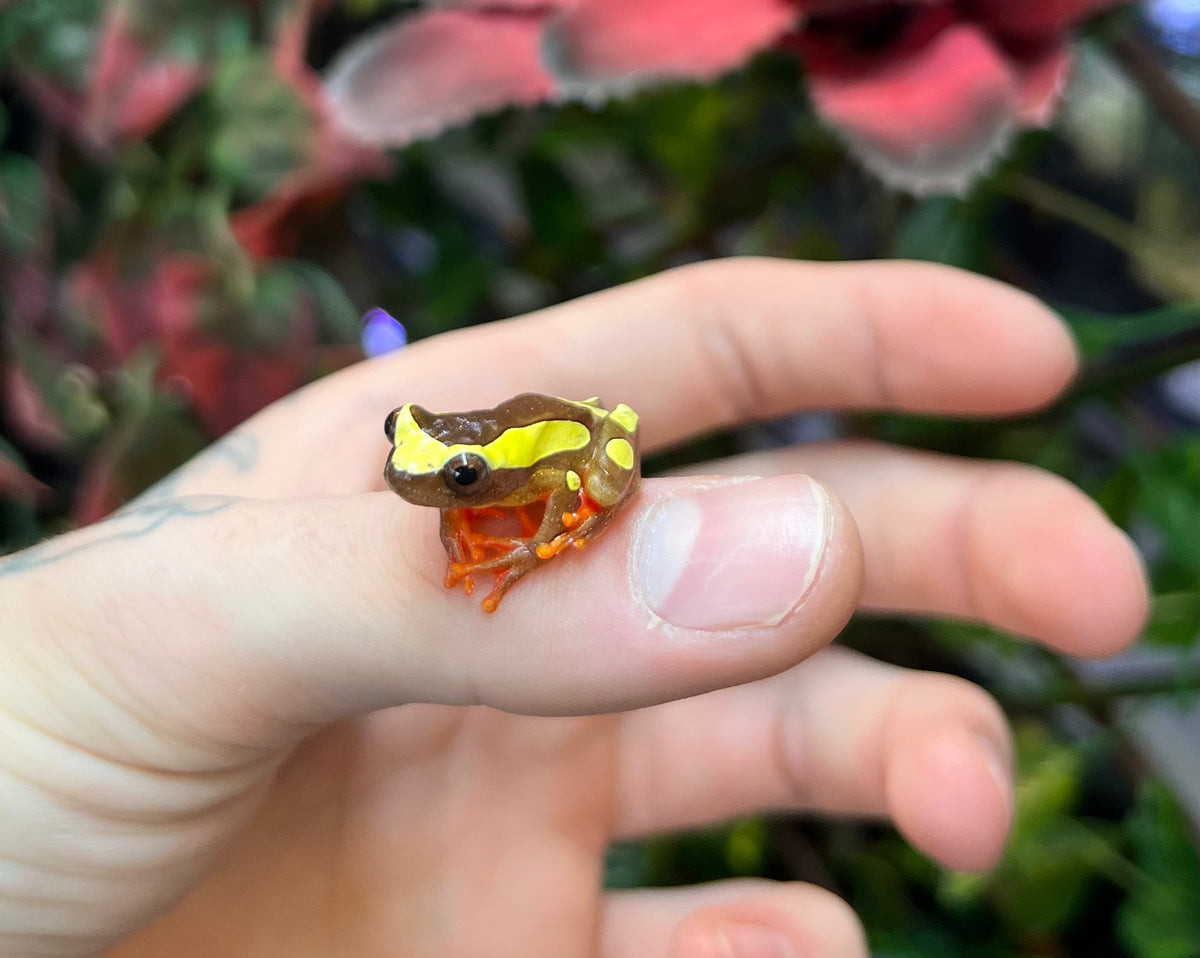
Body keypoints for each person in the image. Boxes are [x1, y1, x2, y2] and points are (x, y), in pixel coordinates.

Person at [0, 259, 1148, 958]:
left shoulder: (530, 469)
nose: (410, 481)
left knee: (586, 506)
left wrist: (546, 536)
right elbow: (449, 463)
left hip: (574, 453)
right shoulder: (443, 469)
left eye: (441, 479)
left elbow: (593, 461)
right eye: (406, 456)